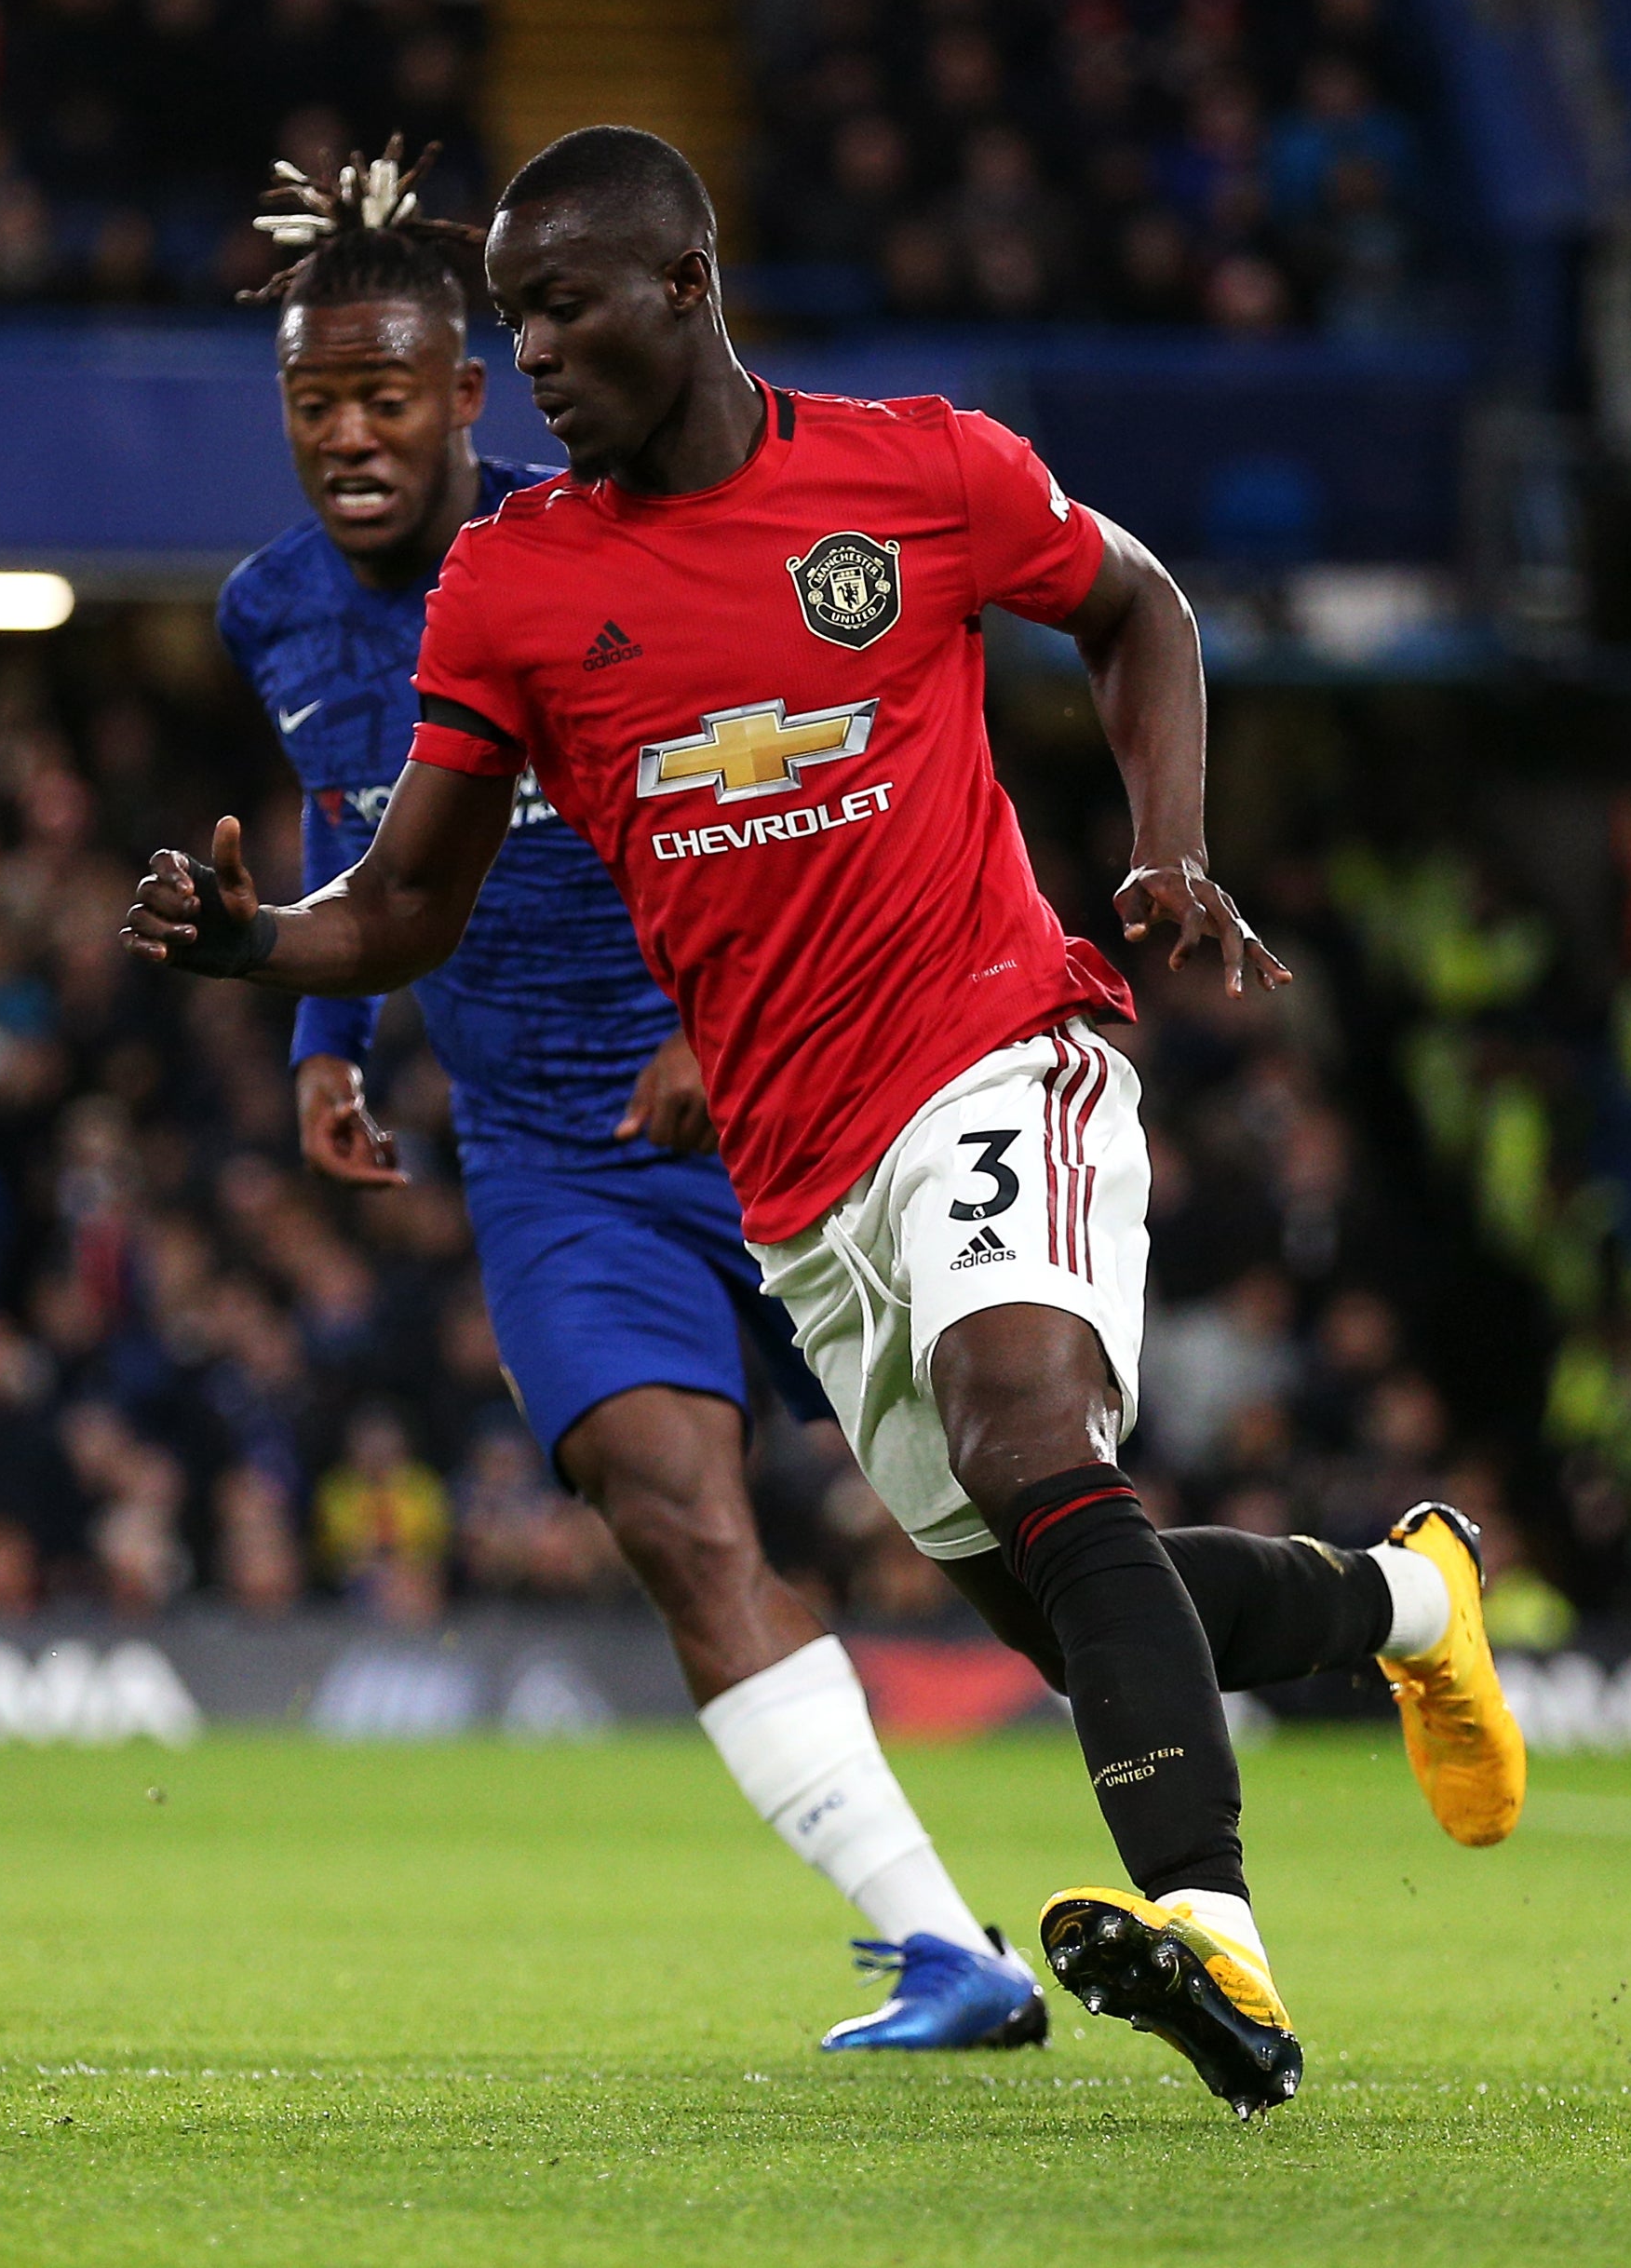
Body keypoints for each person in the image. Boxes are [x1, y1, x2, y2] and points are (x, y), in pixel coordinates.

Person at [132, 125, 1524, 2116]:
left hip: (986, 1040)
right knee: (1064, 1599)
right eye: (512, 317)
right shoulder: (509, 589)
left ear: (688, 288)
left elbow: (1139, 608)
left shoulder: (919, 470)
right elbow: (408, 897)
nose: (533, 354)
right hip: (782, 1172)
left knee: (1030, 1430)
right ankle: (1407, 1597)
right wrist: (260, 956)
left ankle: (1214, 1937)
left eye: (561, 308)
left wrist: (1166, 848)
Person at [221, 140, 1043, 2051]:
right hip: (550, 1159)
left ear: (462, 397)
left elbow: (748, 768)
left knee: (1001, 1524)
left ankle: (1336, 1644)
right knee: (669, 1512)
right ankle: (941, 1943)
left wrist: (713, 1010)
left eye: (387, 395)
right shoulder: (264, 615)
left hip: (781, 1092)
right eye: (310, 400)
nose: (348, 433)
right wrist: (320, 1042)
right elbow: (354, 830)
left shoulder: (575, 559)